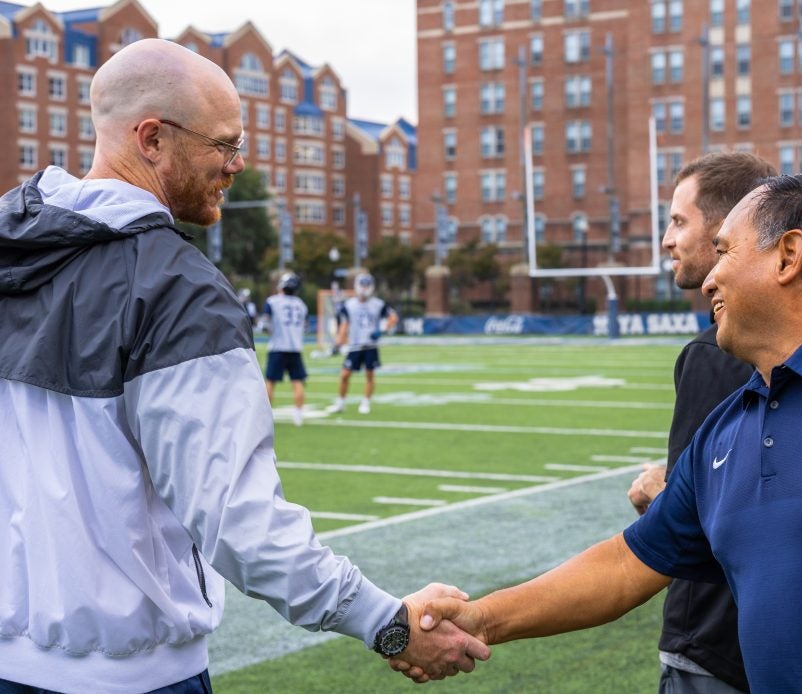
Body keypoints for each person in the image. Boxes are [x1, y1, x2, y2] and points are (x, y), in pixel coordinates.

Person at [400, 174, 802, 690]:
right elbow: (625, 565)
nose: (706, 279)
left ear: (788, 255)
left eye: (724, 251)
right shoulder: (732, 423)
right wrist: (481, 617)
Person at [0, 38, 487, 693]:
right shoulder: (177, 289)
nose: (237, 164)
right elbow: (242, 524)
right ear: (152, 138)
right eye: (224, 144)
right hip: (130, 676)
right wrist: (388, 622)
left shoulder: (14, 250)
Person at [627, 152, 775, 694]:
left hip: (714, 638)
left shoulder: (720, 352)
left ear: (725, 229)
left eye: (678, 221)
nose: (667, 239)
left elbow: (692, 519)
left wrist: (659, 495)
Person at [326, 272, 398, 415]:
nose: (365, 288)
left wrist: (382, 329)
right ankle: (340, 403)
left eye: (367, 285)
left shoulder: (378, 304)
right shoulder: (349, 305)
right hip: (355, 345)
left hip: (370, 346)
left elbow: (393, 317)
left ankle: (366, 403)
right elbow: (344, 325)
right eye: (362, 285)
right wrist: (338, 341)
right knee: (345, 375)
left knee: (369, 375)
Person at [263, 271, 309, 426]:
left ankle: (265, 417)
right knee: (297, 382)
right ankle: (298, 416)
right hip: (295, 347)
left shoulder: (272, 301)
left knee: (270, 382)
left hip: (277, 347)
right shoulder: (301, 305)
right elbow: (304, 326)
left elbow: (265, 325)